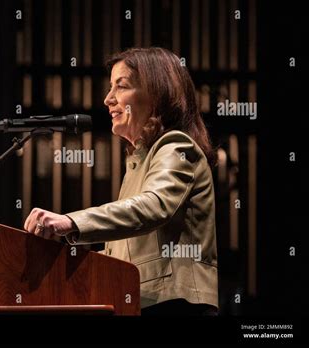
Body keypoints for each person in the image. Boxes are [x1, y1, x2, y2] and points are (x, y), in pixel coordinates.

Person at [24, 47, 218, 316]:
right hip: (144, 302)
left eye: (121, 86)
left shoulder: (176, 146)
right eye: (109, 88)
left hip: (174, 305)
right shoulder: (139, 162)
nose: (107, 99)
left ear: (157, 93)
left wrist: (70, 222)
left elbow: (153, 207)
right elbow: (123, 254)